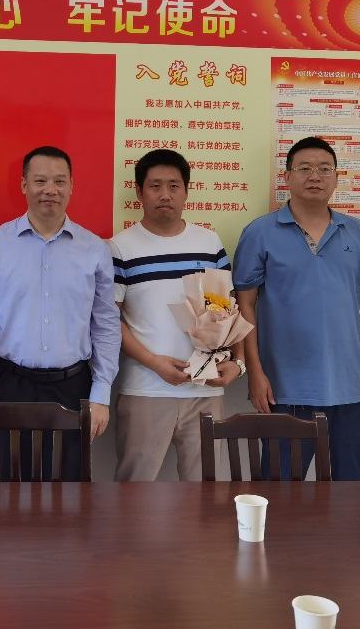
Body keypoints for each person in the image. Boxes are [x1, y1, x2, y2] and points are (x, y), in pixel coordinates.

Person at [232, 136, 360, 480]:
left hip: (350, 387)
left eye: (324, 169)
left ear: (336, 178)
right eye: (304, 168)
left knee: (349, 492)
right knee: (279, 491)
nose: (315, 176)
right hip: (284, 388)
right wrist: (255, 373)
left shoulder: (356, 232)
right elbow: (245, 305)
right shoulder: (259, 233)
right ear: (287, 177)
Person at [0, 145, 120, 480]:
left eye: (59, 181)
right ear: (24, 185)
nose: (50, 189)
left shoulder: (95, 249)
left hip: (73, 386)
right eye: (40, 181)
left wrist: (101, 394)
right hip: (9, 386)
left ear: (71, 186)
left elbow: (106, 324)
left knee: (70, 489)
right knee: (9, 486)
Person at [110, 149, 244, 481]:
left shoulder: (208, 243)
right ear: (139, 192)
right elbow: (110, 321)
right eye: (155, 186)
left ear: (186, 191)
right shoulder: (120, 247)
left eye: (174, 186)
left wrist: (237, 363)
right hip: (146, 389)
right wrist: (153, 362)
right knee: (133, 493)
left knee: (205, 494)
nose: (165, 195)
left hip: (206, 390)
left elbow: (227, 311)